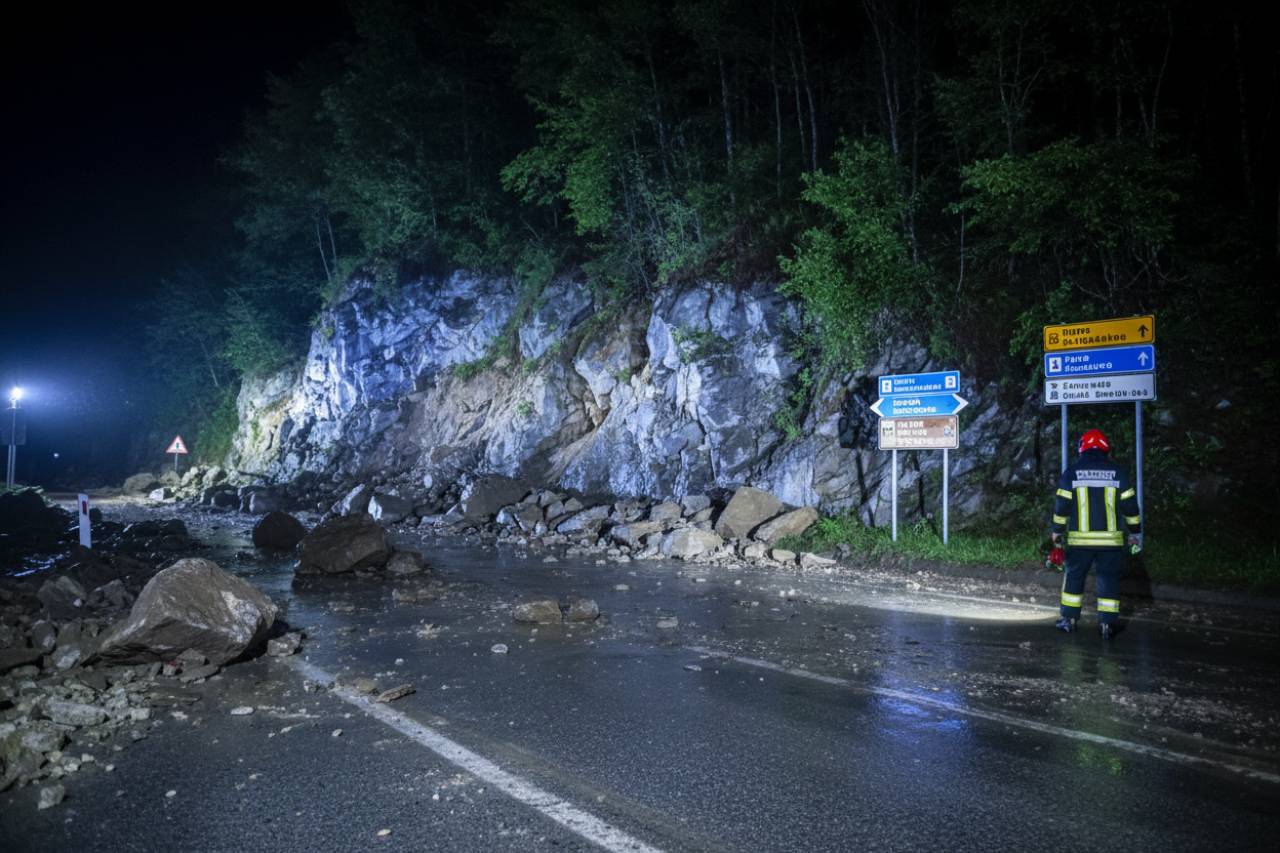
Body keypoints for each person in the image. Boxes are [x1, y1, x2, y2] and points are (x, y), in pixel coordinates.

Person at [1050, 428, 1142, 639]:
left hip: (1079, 542)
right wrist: (1135, 532)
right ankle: (1107, 625)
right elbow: (1130, 507)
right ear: (1106, 449)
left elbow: (1062, 506)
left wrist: (1057, 532)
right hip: (1110, 543)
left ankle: (1069, 620)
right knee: (1108, 581)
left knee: (1074, 579)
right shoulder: (1118, 473)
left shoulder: (1071, 473)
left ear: (1081, 448)